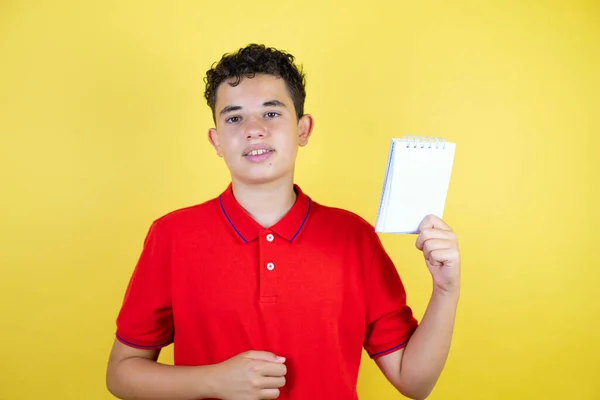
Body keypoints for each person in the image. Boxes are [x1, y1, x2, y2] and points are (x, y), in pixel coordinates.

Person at [106, 44, 461, 400]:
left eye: (271, 113)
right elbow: (121, 374)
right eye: (234, 118)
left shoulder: (354, 237)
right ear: (216, 141)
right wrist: (212, 381)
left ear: (303, 129)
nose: (254, 129)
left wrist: (445, 290)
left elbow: (415, 382)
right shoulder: (172, 236)